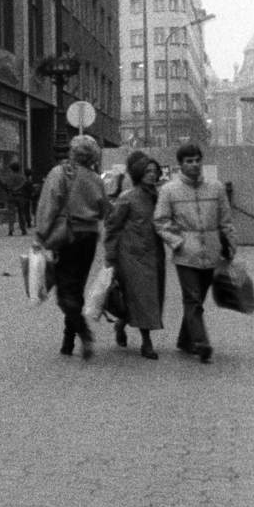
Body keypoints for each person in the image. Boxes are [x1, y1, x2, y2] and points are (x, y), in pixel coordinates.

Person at [154, 140, 237, 366]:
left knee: (198, 299)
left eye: (197, 160)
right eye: (189, 161)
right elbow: (161, 221)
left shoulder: (216, 188)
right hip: (186, 254)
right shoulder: (169, 190)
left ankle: (184, 340)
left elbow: (226, 220)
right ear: (180, 165)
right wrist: (177, 242)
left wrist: (229, 245)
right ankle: (201, 344)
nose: (194, 165)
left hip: (211, 251)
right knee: (192, 299)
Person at [35, 134, 111, 359]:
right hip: (89, 236)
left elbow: (48, 204)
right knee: (77, 286)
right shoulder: (96, 178)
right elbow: (104, 209)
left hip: (66, 235)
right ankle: (67, 342)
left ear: (72, 152)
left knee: (64, 291)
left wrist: (40, 235)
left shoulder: (59, 173)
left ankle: (84, 333)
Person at [104, 151, 165, 360]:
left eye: (154, 172)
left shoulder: (160, 196)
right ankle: (146, 343)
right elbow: (112, 227)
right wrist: (111, 257)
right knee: (144, 296)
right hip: (131, 256)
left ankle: (121, 324)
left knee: (148, 297)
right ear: (139, 173)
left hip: (155, 254)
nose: (151, 175)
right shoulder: (127, 198)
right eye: (147, 171)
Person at [4, 160, 32, 236]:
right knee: (21, 213)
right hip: (20, 196)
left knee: (11, 214)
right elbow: (26, 186)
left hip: (11, 196)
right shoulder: (22, 177)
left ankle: (10, 230)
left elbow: (6, 185)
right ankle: (23, 229)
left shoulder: (9, 177)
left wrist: (9, 191)